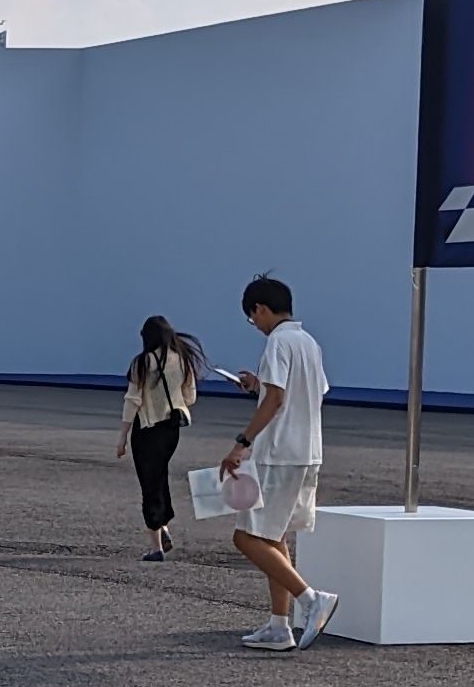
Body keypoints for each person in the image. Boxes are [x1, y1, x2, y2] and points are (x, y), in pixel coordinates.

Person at [219, 273, 334, 651]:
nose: (255, 324)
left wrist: (241, 443)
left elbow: (276, 399)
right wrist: (258, 384)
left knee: (246, 536)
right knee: (273, 537)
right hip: (307, 452)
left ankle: (310, 599)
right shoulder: (308, 343)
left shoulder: (278, 342)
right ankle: (279, 626)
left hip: (279, 453)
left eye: (252, 317)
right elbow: (309, 391)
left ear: (261, 309)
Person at [118, 315, 201, 560]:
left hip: (147, 427)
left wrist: (122, 437)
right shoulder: (183, 359)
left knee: (149, 483)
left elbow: (132, 400)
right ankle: (163, 525)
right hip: (171, 429)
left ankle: (157, 546)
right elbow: (190, 397)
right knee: (159, 476)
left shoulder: (143, 362)